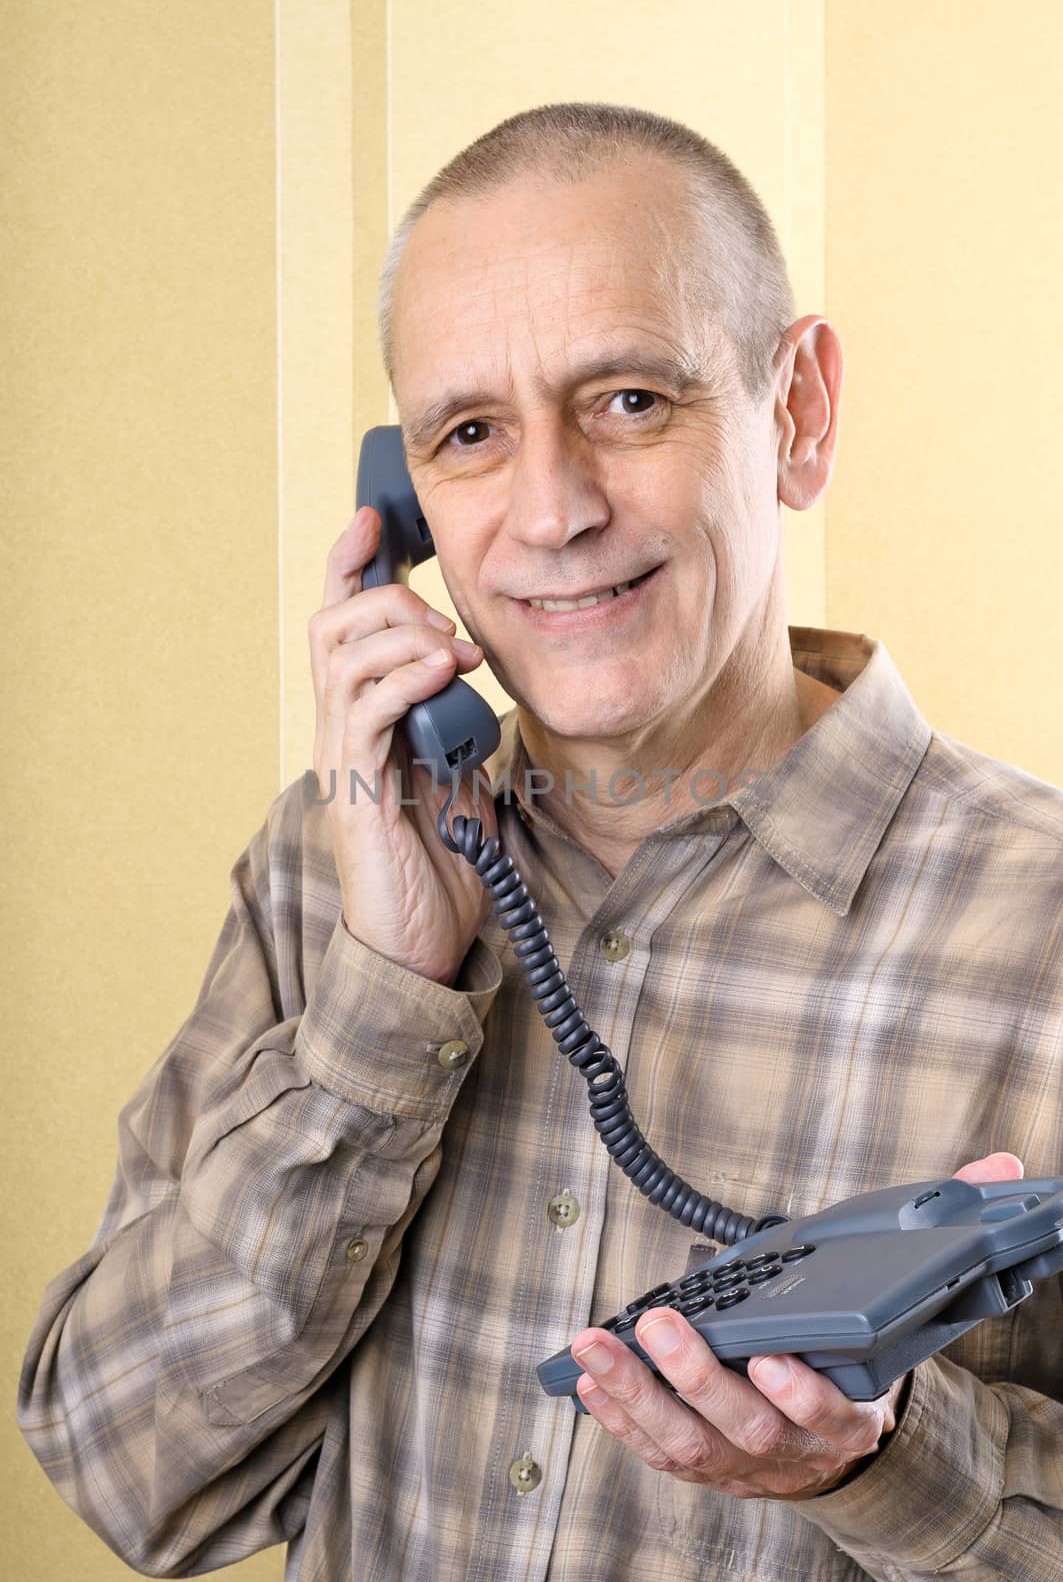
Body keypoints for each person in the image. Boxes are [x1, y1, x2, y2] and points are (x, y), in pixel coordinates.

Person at [17, 101, 1063, 1582]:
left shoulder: (1046, 926)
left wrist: (894, 1464)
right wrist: (384, 1000)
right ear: (405, 507)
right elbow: (121, 1468)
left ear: (799, 412)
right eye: (470, 434)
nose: (552, 512)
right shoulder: (329, 870)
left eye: (631, 399)